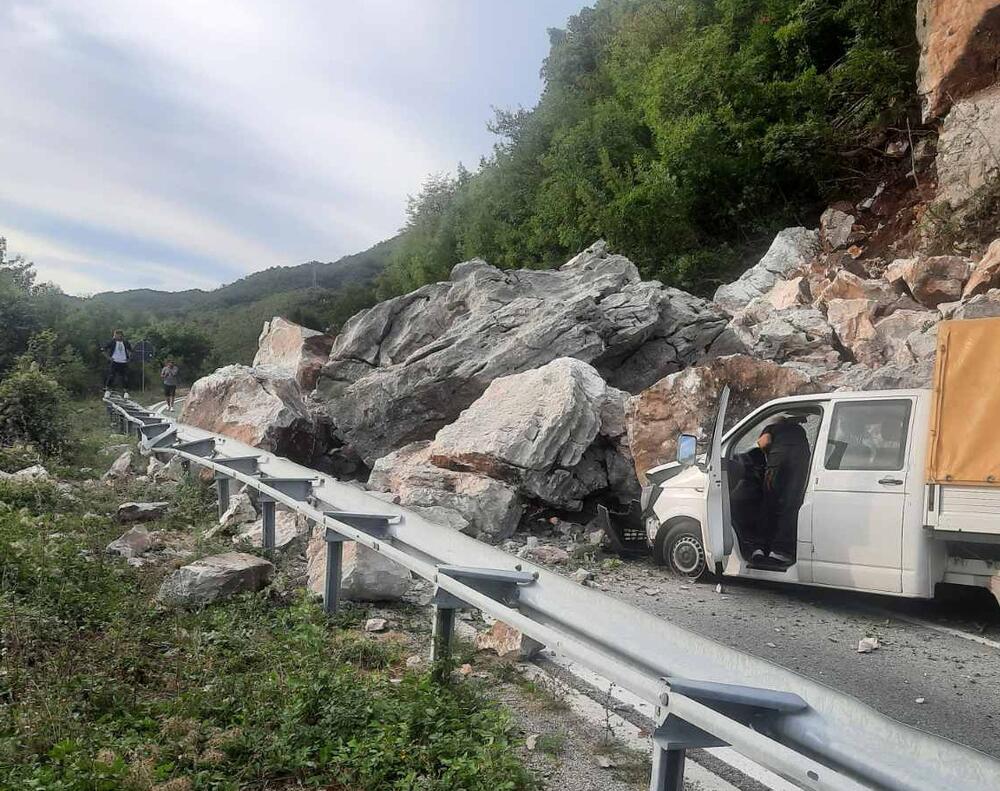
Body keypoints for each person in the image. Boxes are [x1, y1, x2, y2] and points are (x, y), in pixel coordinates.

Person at [754, 416, 811, 567]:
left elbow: (763, 442)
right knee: (790, 506)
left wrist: (767, 450)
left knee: (768, 504)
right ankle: (780, 551)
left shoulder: (772, 428)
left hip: (776, 466)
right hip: (798, 466)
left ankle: (759, 548)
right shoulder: (799, 430)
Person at [102, 329, 131, 398]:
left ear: (120, 335)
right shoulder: (112, 342)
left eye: (116, 335)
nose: (115, 336)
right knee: (111, 376)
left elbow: (130, 350)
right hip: (114, 361)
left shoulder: (125, 342)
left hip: (123, 362)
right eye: (114, 335)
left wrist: (128, 358)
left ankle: (126, 392)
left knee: (124, 377)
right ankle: (108, 391)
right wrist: (108, 358)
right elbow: (103, 350)